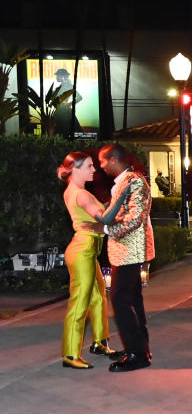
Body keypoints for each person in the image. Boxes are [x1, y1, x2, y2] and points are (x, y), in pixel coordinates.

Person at [57, 152, 130, 369]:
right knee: (80, 302)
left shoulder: (75, 192)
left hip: (86, 249)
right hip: (83, 251)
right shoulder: (82, 195)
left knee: (98, 298)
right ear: (75, 169)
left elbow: (98, 217)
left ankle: (100, 342)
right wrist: (121, 197)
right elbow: (105, 218)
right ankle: (70, 355)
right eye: (89, 166)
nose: (93, 170)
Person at [99, 143, 155, 372]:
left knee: (121, 299)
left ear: (113, 159)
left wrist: (104, 230)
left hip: (131, 250)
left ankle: (138, 354)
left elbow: (135, 218)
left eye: (102, 161)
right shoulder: (125, 181)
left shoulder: (134, 181)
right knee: (131, 299)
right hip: (125, 250)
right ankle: (139, 348)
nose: (100, 166)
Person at [53, 68, 82, 137]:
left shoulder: (69, 86)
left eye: (58, 75)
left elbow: (79, 97)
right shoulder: (60, 87)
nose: (57, 77)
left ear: (63, 76)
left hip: (65, 113)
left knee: (65, 131)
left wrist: (68, 104)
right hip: (59, 112)